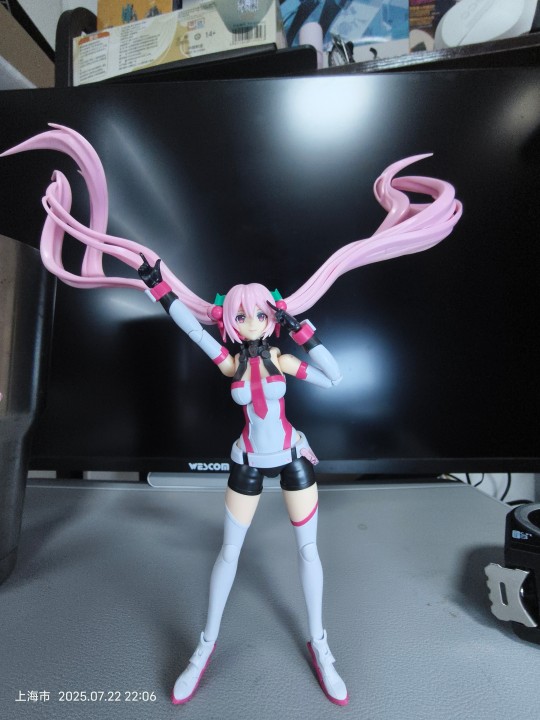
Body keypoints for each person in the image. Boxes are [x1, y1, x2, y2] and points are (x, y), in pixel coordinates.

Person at [1, 124, 462, 705]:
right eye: (241, 316)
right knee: (229, 552)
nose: (250, 322)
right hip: (247, 462)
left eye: (259, 314)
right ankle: (204, 646)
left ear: (271, 316)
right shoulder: (230, 362)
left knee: (309, 552)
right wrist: (157, 285)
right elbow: (193, 331)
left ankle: (321, 645)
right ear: (231, 319)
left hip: (292, 459)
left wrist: (301, 332)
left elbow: (335, 378)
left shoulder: (281, 358)